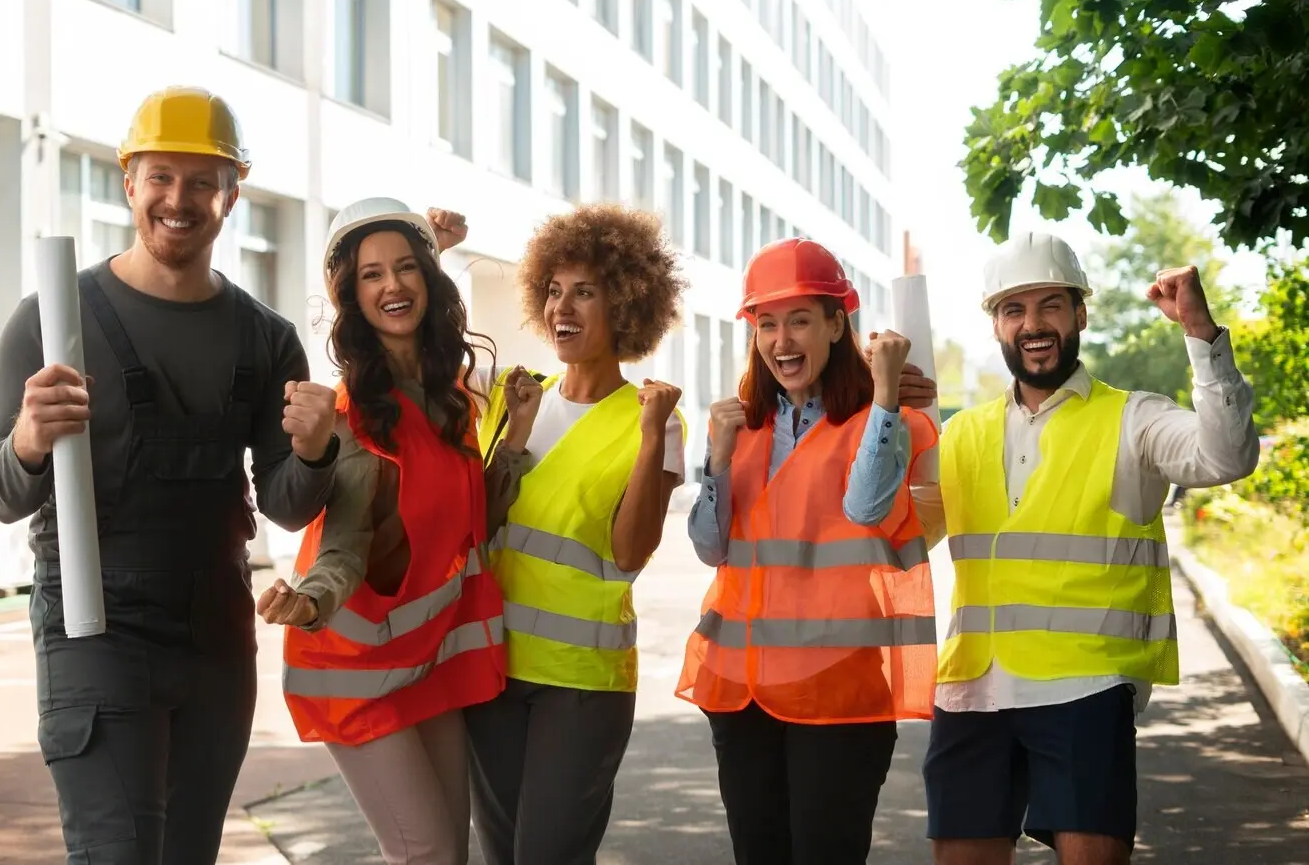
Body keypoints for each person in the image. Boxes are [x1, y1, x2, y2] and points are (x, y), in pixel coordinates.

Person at [0, 85, 341, 865]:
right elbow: (0, 493)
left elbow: (282, 503)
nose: (181, 199)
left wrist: (314, 454)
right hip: (93, 626)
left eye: (203, 180)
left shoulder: (264, 339)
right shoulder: (52, 320)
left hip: (216, 635)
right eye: (162, 177)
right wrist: (29, 440)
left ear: (232, 193)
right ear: (128, 181)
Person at [915, 233, 1260, 865]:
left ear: (1080, 314)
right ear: (996, 324)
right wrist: (886, 414)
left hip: (1085, 690)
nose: (1033, 324)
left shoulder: (1134, 419)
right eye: (1014, 309)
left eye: (1051, 305)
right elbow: (894, 540)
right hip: (971, 689)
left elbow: (1228, 455)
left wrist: (1202, 338)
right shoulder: (958, 434)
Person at [254, 199, 538, 865]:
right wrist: (311, 599)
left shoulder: (450, 398)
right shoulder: (357, 416)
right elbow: (344, 546)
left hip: (424, 659)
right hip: (354, 671)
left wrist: (515, 438)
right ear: (351, 298)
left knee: (447, 854)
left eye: (407, 269)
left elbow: (471, 524)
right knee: (427, 852)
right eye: (372, 276)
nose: (392, 286)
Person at [679, 237, 941, 865]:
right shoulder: (742, 426)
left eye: (799, 319)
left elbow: (867, 508)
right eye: (767, 323)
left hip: (838, 695)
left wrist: (882, 398)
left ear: (835, 323)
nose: (782, 340)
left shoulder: (884, 420)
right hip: (743, 694)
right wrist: (715, 459)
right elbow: (710, 549)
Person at [464, 203, 688, 865]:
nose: (564, 307)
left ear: (624, 305)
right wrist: (437, 249)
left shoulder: (653, 420)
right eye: (555, 290)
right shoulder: (513, 398)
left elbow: (630, 552)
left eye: (585, 291)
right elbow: (476, 519)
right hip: (493, 664)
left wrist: (650, 441)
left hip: (582, 683)